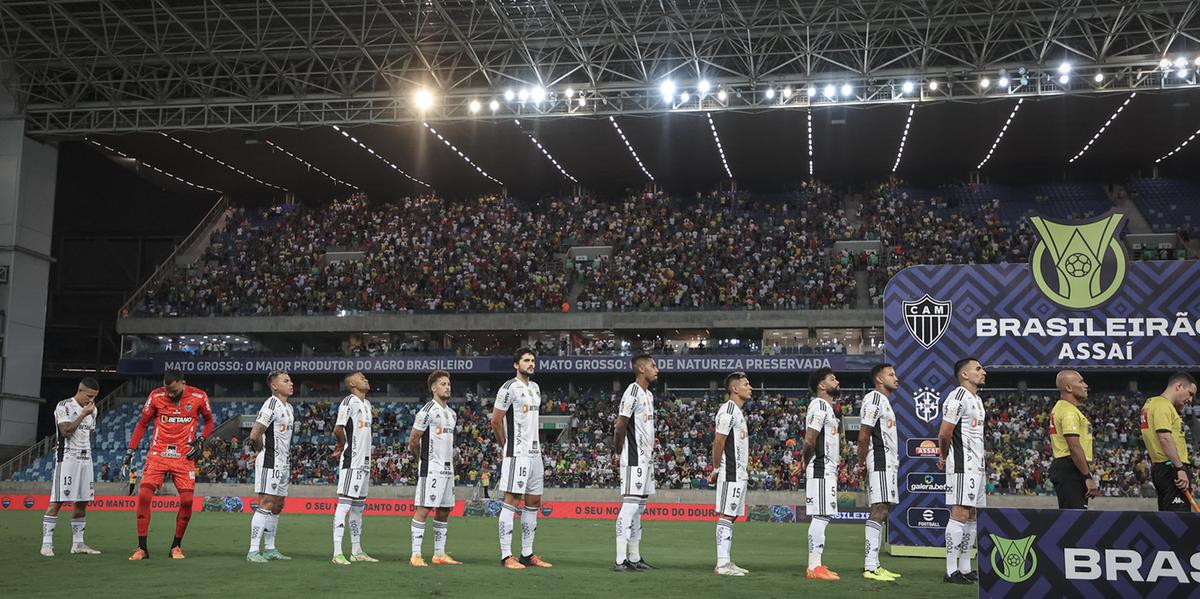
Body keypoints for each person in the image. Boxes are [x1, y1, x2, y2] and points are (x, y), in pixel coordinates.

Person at [124, 369, 213, 560]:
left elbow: (209, 422)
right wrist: (131, 450)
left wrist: (200, 441)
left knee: (188, 501)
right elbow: (142, 424)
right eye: (167, 391)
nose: (170, 394)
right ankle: (142, 548)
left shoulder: (198, 396)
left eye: (173, 390)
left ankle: (176, 546)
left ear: (183, 383)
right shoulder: (156, 396)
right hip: (158, 454)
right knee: (144, 495)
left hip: (183, 456)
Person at [491, 347, 552, 569]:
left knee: (533, 502)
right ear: (516, 365)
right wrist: (506, 446)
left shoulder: (535, 388)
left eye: (533, 360)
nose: (531, 363)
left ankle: (527, 553)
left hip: (535, 454)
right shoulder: (509, 388)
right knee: (512, 500)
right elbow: (496, 421)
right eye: (526, 360)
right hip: (517, 452)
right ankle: (506, 556)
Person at [938, 358, 988, 585]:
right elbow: (945, 433)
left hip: (977, 466)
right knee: (960, 512)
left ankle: (966, 566)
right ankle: (951, 570)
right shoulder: (957, 397)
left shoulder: (976, 399)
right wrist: (944, 455)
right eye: (978, 368)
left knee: (973, 515)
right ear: (965, 374)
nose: (983, 372)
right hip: (962, 464)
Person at [407, 370, 463, 567]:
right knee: (423, 508)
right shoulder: (427, 411)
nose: (447, 387)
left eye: (448, 384)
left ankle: (439, 554)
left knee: (445, 510)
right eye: (443, 384)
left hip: (448, 470)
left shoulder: (452, 414)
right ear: (433, 387)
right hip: (431, 469)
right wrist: (421, 461)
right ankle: (415, 555)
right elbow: (413, 440)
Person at [41, 378, 101, 557]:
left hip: (86, 459)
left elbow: (87, 433)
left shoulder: (93, 410)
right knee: (57, 502)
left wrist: (88, 412)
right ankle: (46, 544)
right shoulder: (64, 406)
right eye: (89, 396)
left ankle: (78, 544)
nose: (90, 401)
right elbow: (66, 432)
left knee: (82, 503)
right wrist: (83, 414)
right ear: (80, 390)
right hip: (67, 458)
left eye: (94, 398)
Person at [612, 353, 659, 572]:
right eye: (652, 366)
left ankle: (634, 556)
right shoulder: (632, 392)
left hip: (646, 458)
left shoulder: (648, 395)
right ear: (641, 369)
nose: (656, 369)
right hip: (633, 458)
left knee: (639, 509)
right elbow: (620, 425)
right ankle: (620, 559)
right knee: (629, 507)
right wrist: (617, 450)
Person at [855, 364, 902, 580]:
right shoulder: (874, 399)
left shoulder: (884, 402)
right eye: (891, 374)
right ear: (879, 379)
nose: (896, 378)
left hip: (889, 462)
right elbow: (864, 434)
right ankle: (870, 566)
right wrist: (861, 463)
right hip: (880, 460)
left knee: (884, 509)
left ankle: (874, 564)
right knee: (879, 508)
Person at [246, 370, 296, 562]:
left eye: (290, 380)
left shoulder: (289, 408)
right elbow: (255, 434)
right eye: (286, 381)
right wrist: (261, 451)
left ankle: (270, 548)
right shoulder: (271, 404)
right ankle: (252, 551)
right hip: (270, 460)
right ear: (274, 386)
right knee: (266, 503)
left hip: (284, 462)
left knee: (278, 506)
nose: (291, 383)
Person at [797, 367, 842, 581]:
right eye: (832, 379)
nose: (837, 381)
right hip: (821, 468)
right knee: (821, 515)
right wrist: (806, 461)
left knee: (823, 515)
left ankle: (817, 564)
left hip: (825, 469)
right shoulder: (820, 405)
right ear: (822, 386)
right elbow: (809, 439)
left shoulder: (827, 408)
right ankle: (814, 566)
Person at [331, 371, 377, 565]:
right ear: (351, 383)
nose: (365, 378)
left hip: (364, 463)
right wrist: (342, 445)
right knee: (344, 505)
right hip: (352, 460)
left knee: (358, 508)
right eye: (360, 377)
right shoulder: (348, 401)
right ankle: (337, 553)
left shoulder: (366, 404)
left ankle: (356, 550)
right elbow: (338, 428)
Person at [709, 371, 752, 577]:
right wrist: (717, 469)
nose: (749, 387)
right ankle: (722, 564)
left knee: (732, 516)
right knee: (726, 516)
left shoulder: (738, 412)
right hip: (730, 473)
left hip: (739, 474)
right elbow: (718, 441)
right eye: (745, 384)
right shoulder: (727, 410)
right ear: (735, 389)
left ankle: (727, 561)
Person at [1140, 372, 1197, 511]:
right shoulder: (1163, 406)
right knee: (1179, 520)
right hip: (1172, 470)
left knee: (1167, 516)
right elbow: (1164, 437)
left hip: (1162, 467)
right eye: (1190, 393)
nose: (1190, 400)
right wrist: (1179, 468)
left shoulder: (1151, 403)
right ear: (1179, 386)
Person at [1049, 370, 1099, 509]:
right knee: (1075, 519)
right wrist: (1087, 477)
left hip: (1068, 466)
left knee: (1071, 518)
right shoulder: (1068, 412)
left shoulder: (1062, 408)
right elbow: (1074, 447)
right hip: (1071, 467)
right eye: (1081, 381)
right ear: (1069, 387)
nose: (1086, 385)